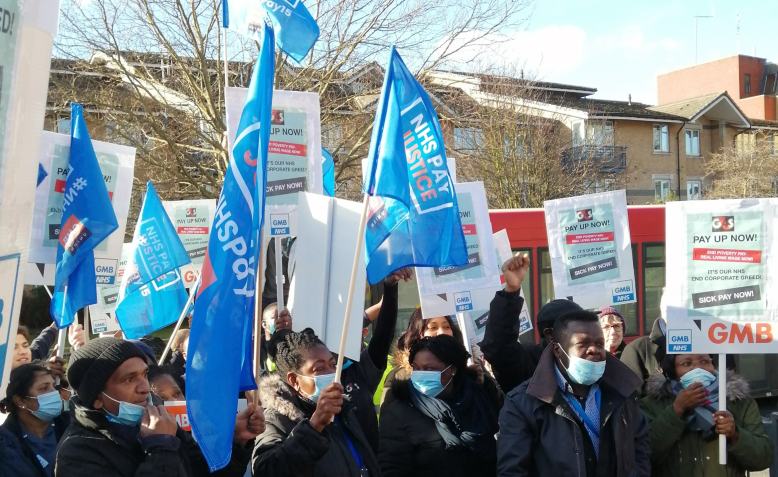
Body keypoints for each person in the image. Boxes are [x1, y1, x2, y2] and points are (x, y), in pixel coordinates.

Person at [55, 337, 264, 476]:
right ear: (97, 397)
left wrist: (234, 440)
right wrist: (160, 447)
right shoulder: (77, 451)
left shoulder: (159, 421)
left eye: (144, 374)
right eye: (129, 379)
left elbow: (206, 471)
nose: (145, 388)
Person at [497, 310, 650, 477]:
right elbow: (513, 471)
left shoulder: (623, 391)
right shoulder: (523, 403)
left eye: (599, 343)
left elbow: (640, 449)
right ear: (557, 349)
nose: (594, 350)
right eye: (582, 344)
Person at [253, 328, 380, 477]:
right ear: (294, 380)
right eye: (319, 368)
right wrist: (314, 426)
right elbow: (265, 470)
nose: (331, 374)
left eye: (333, 365)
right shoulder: (276, 420)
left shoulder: (343, 411)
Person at [378, 335, 502, 477]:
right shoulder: (398, 410)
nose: (421, 375)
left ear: (452, 370)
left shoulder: (479, 398)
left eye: (429, 368)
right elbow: (391, 467)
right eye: (416, 368)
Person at [640, 353, 772, 476]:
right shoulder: (652, 405)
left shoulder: (739, 401)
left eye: (704, 361)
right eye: (686, 364)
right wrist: (676, 410)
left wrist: (735, 435)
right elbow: (643, 455)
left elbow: (763, 459)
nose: (698, 369)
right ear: (672, 370)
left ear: (713, 364)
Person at [480, 254, 585, 393]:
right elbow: (498, 347)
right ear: (550, 335)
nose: (586, 334)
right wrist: (511, 292)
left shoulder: (594, 361)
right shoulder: (529, 364)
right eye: (577, 328)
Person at [0, 363, 68, 476]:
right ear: (20, 401)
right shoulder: (4, 444)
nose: (54, 392)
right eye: (44, 388)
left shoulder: (70, 425)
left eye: (53, 386)